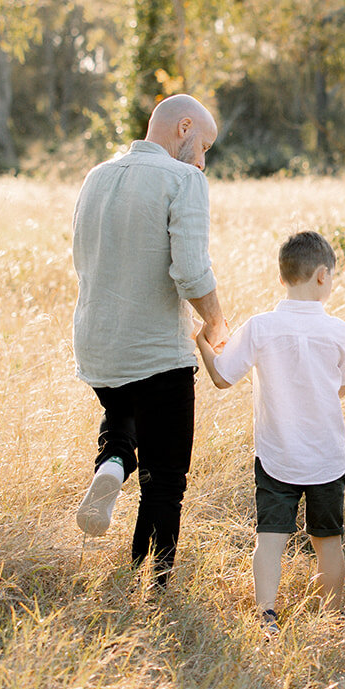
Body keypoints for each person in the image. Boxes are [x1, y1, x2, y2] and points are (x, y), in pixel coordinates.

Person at [71, 93, 228, 590]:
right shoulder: (183, 179)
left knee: (123, 417)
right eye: (203, 145)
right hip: (158, 352)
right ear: (183, 128)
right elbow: (190, 270)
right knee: (165, 480)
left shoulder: (96, 176)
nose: (203, 161)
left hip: (98, 347)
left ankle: (113, 462)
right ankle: (151, 588)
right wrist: (217, 322)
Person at [195, 231, 345, 631]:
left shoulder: (259, 327)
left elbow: (221, 378)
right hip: (326, 457)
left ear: (282, 277)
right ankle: (330, 618)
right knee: (328, 541)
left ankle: (267, 614)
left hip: (276, 455)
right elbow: (344, 384)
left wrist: (204, 341)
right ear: (322, 276)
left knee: (270, 538)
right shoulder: (338, 330)